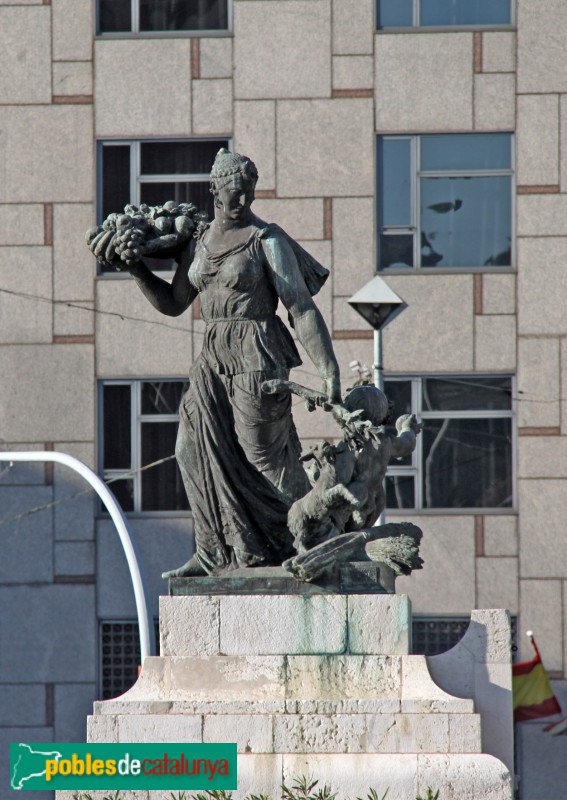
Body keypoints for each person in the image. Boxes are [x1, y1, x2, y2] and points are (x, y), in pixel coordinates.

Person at [125, 149, 340, 576]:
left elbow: (300, 308)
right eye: (234, 191)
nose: (243, 200)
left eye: (249, 191)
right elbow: (173, 303)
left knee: (265, 457)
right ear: (214, 189)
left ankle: (321, 536)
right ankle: (213, 552)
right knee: (189, 449)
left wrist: (329, 369)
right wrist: (135, 270)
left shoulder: (267, 240)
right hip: (213, 357)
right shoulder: (199, 242)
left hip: (256, 352)